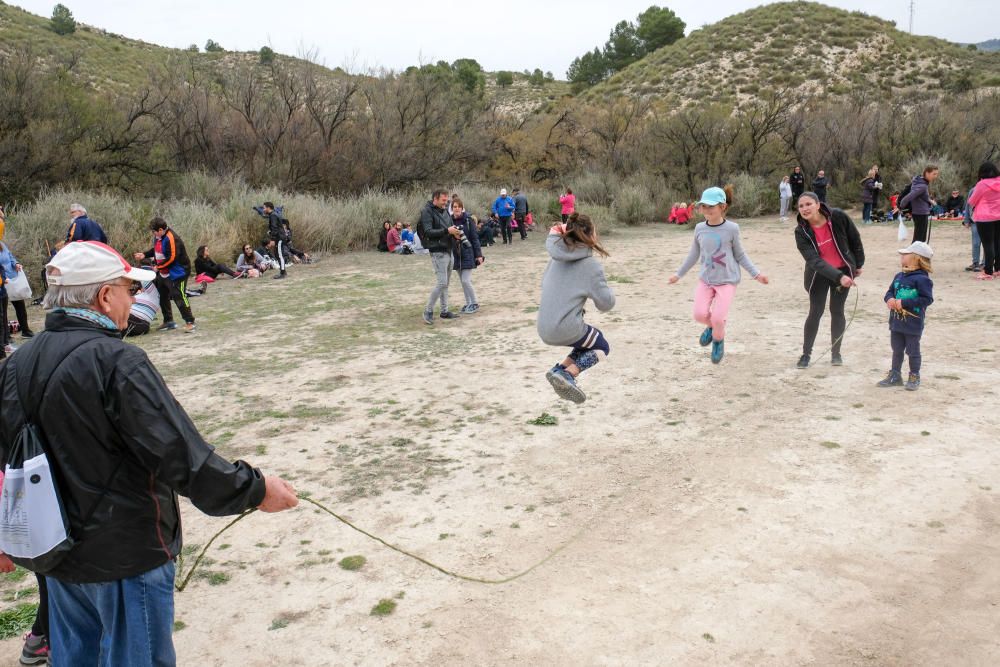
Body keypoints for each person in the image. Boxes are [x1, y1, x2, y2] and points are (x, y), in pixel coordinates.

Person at [0, 241, 298, 666]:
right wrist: (255, 489)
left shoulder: (15, 363)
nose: (136, 298)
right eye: (129, 289)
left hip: (58, 557)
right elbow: (179, 454)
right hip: (125, 555)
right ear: (105, 296)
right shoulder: (118, 362)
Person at [669, 186, 769, 365]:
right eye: (703, 206)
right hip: (706, 280)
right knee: (699, 315)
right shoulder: (699, 228)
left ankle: (717, 341)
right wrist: (678, 274)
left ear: (722, 207)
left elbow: (740, 255)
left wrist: (757, 274)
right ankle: (712, 327)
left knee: (718, 318)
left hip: (727, 281)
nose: (706, 210)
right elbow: (694, 255)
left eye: (711, 206)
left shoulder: (732, 228)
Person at [538, 213, 615, 404]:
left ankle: (559, 370)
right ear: (590, 234)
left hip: (543, 327)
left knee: (587, 343)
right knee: (601, 346)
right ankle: (568, 374)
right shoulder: (590, 266)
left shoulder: (555, 259)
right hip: (565, 328)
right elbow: (606, 304)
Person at [794, 192, 865, 369]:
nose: (805, 209)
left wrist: (858, 264)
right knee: (815, 312)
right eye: (801, 206)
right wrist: (839, 277)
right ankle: (806, 354)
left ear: (818, 205)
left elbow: (854, 238)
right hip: (819, 275)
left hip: (843, 272)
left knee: (837, 310)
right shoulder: (801, 231)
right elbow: (814, 261)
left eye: (808, 204)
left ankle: (836, 353)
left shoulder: (838, 216)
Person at [877, 241, 934, 391]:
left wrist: (904, 302)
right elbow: (890, 291)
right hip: (896, 322)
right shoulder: (899, 276)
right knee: (896, 349)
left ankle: (914, 375)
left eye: (905, 254)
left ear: (916, 258)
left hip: (913, 323)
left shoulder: (922, 279)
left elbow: (927, 299)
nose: (901, 256)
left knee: (912, 350)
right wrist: (889, 299)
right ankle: (895, 375)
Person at [133, 217, 196, 333]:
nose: (153, 233)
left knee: (179, 295)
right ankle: (169, 321)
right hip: (164, 272)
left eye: (154, 231)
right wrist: (144, 255)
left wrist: (158, 267)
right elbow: (157, 250)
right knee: (162, 294)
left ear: (161, 229)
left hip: (179, 272)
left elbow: (172, 257)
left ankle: (190, 322)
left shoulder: (172, 238)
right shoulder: (158, 237)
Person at [419, 189, 463, 325]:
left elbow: (449, 227)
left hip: (449, 249)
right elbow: (428, 232)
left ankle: (444, 311)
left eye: (446, 200)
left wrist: (455, 233)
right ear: (435, 199)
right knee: (442, 283)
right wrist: (446, 231)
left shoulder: (444, 211)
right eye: (443, 200)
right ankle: (428, 311)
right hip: (438, 251)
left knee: (446, 284)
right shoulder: (427, 211)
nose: (446, 202)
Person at [449, 198, 484, 314]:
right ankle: (468, 303)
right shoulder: (449, 221)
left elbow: (475, 238)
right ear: (452, 208)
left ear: (462, 208)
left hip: (468, 253)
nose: (457, 208)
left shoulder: (468, 220)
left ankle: (474, 303)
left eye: (459, 206)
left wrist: (479, 255)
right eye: (454, 206)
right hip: (456, 254)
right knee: (462, 281)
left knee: (465, 280)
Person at [968, 161, 1000, 280]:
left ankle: (988, 271)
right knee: (997, 242)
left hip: (984, 217)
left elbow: (971, 201)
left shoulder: (982, 184)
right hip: (999, 216)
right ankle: (998, 269)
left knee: (988, 244)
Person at [1, 240, 35, 348]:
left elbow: (10, 256)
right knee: (3, 311)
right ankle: (6, 337)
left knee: (20, 306)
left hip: (13, 278)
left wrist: (15, 264)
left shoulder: (2, 244)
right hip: (3, 281)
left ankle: (26, 330)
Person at [899, 165, 940, 243]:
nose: (936, 176)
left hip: (920, 213)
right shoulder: (922, 186)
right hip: (920, 214)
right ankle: (911, 254)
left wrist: (931, 202)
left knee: (920, 238)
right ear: (927, 173)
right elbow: (910, 196)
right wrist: (901, 206)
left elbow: (921, 196)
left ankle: (916, 254)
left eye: (937, 174)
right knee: (918, 239)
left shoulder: (919, 181)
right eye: (934, 174)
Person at [262, 202, 288, 280]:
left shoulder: (273, 215)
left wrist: (272, 239)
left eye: (264, 208)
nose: (263, 209)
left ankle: (283, 273)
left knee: (279, 255)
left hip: (279, 238)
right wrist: (270, 232)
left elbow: (275, 228)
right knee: (277, 255)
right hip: (279, 237)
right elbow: (276, 227)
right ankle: (283, 271)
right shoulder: (273, 215)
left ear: (268, 208)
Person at [963, 185, 983, 272]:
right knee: (976, 243)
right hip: (975, 220)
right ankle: (975, 262)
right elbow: (968, 205)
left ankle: (984, 263)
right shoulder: (973, 190)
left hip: (988, 220)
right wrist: (966, 220)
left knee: (987, 243)